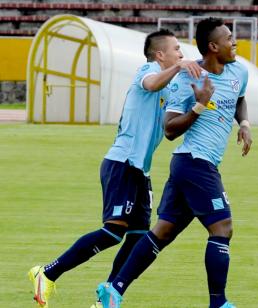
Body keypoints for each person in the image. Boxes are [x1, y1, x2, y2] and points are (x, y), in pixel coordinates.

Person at [28, 29, 202, 308]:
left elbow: (173, 119)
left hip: (139, 171)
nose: (181, 54)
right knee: (113, 231)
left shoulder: (172, 86)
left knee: (138, 237)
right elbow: (152, 84)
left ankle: (108, 294)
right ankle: (46, 273)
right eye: (176, 49)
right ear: (160, 54)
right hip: (122, 163)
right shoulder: (147, 70)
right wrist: (180, 68)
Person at [95, 17, 252, 308]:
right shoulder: (187, 79)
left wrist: (243, 122)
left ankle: (113, 289)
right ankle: (219, 303)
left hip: (196, 167)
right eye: (229, 38)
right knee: (223, 227)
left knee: (162, 232)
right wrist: (200, 104)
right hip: (194, 162)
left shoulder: (238, 71)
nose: (235, 42)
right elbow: (170, 130)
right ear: (213, 46)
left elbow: (239, 98)